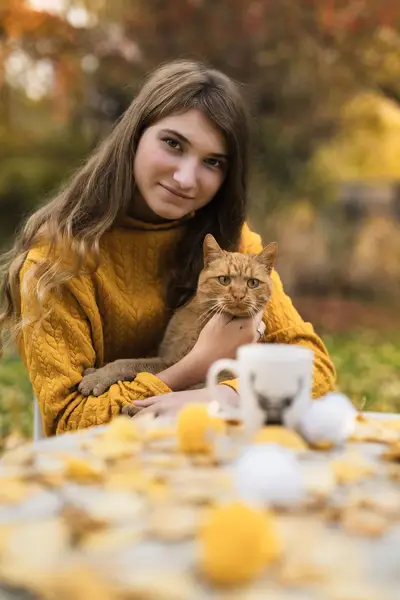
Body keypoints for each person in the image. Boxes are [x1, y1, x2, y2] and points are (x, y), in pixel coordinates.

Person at [0, 60, 336, 436]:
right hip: (106, 474)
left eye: (212, 162)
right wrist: (192, 368)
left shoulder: (234, 245)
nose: (185, 178)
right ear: (135, 134)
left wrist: (223, 396)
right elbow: (69, 423)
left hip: (214, 458)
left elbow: (315, 366)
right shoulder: (58, 262)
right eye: (173, 144)